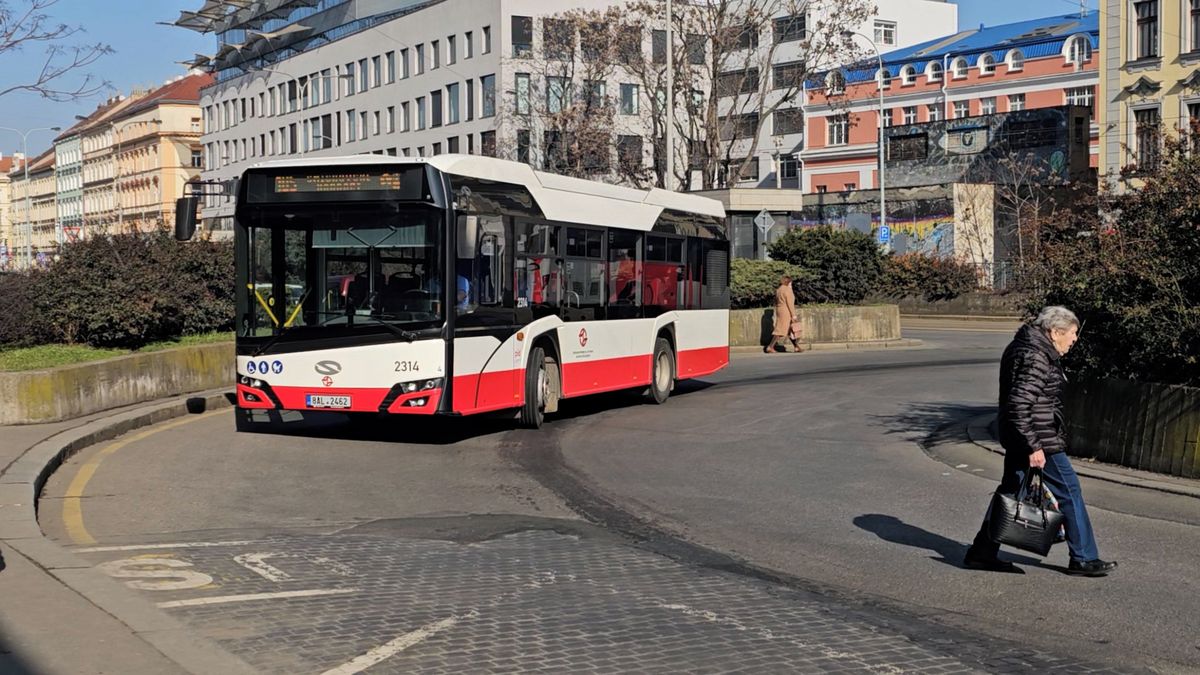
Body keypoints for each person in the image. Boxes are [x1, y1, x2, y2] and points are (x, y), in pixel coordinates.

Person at [964, 306, 1117, 576]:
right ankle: (1083, 557)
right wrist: (1034, 445)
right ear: (1055, 332)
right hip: (1039, 439)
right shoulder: (1036, 355)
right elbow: (1019, 404)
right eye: (1072, 333)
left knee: (1011, 491)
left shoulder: (1026, 347)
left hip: (1022, 435)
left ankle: (982, 553)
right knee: (1069, 490)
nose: (1075, 339)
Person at [765, 275, 801, 353]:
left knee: (790, 329)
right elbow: (790, 303)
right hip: (786, 311)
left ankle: (796, 347)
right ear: (789, 282)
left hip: (780, 310)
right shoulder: (788, 290)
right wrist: (793, 315)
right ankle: (770, 347)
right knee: (781, 329)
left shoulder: (779, 290)